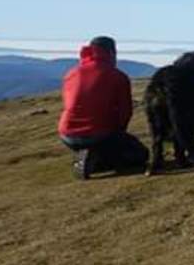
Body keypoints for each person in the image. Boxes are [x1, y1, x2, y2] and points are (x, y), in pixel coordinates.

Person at [58, 36, 149, 179]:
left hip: (67, 135)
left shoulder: (71, 74)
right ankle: (99, 159)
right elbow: (125, 111)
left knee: (105, 145)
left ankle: (90, 156)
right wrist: (120, 132)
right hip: (100, 135)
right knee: (140, 154)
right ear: (111, 53)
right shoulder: (117, 76)